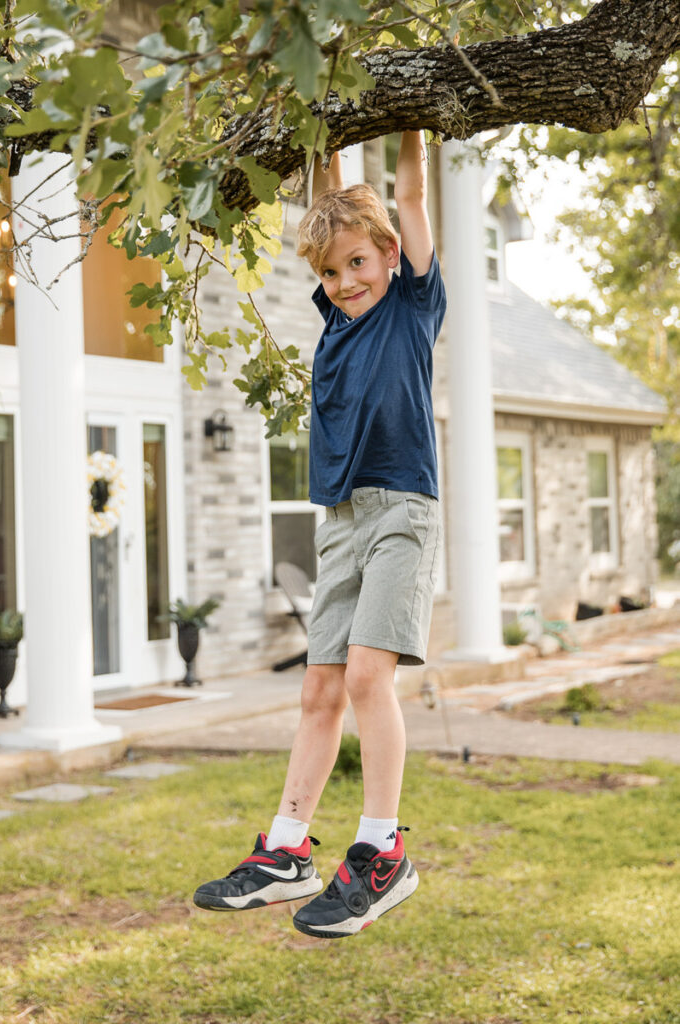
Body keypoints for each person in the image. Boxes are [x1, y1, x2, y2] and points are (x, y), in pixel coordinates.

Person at [194, 131, 446, 939]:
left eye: (357, 265)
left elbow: (407, 197)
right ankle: (287, 851)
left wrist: (407, 119)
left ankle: (381, 854)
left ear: (389, 254)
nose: (343, 283)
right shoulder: (335, 321)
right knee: (318, 690)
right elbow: (325, 198)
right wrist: (330, 123)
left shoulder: (410, 304)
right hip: (338, 518)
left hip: (402, 509)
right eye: (330, 272)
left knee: (370, 680)